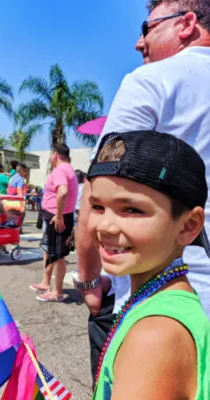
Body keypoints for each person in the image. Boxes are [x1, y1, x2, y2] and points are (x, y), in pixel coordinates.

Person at [77, 0, 210, 324]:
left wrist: (89, 281)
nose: (139, 42)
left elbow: (99, 189)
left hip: (166, 299)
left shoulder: (152, 80)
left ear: (187, 23)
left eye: (147, 28)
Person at [87, 131, 210, 398]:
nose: (105, 226)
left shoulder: (154, 336)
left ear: (188, 226)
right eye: (97, 206)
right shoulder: (160, 299)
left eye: (131, 209)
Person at [30, 143, 78, 302]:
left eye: (51, 154)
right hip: (55, 216)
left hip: (57, 218)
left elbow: (63, 192)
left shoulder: (60, 170)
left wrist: (58, 215)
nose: (50, 158)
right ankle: (45, 283)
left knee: (58, 255)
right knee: (49, 250)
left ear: (56, 155)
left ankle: (56, 292)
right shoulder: (68, 169)